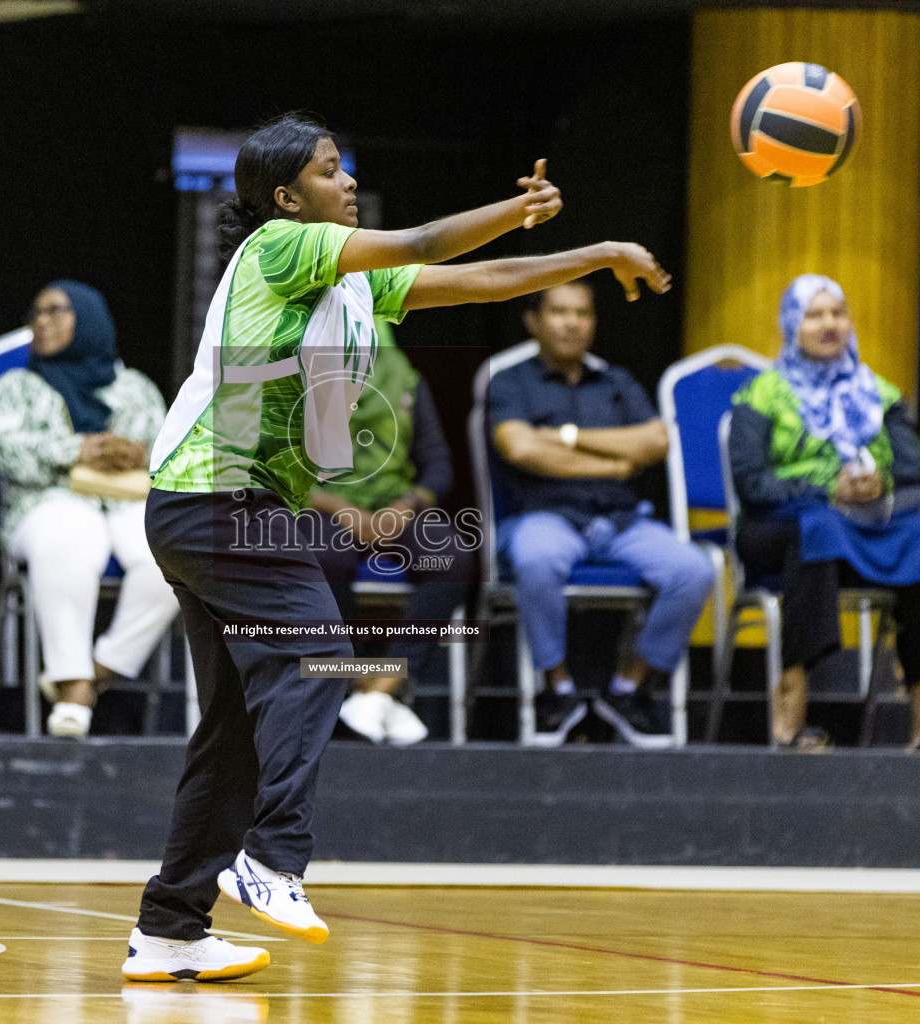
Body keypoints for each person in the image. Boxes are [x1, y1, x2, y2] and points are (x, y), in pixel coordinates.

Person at [121, 111, 670, 984]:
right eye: (331, 171)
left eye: (345, 171)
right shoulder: (279, 246)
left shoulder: (349, 284)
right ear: (285, 196)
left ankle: (169, 928)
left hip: (215, 508)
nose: (346, 183)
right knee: (320, 657)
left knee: (231, 734)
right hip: (211, 498)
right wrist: (514, 208)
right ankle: (272, 859)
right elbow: (424, 237)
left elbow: (483, 282)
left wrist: (593, 253)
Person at [729, 274, 920, 751]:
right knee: (820, 528)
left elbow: (914, 474)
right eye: (815, 314)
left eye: (838, 312)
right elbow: (751, 482)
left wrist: (880, 484)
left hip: (868, 520)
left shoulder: (880, 392)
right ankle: (791, 700)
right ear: (792, 325)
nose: (829, 323)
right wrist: (826, 487)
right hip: (779, 525)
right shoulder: (762, 393)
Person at [488, 282, 717, 748]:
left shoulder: (617, 382)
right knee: (536, 559)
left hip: (620, 520)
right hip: (543, 515)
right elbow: (519, 447)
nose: (572, 322)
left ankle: (630, 688)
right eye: (559, 312)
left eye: (583, 313)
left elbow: (656, 441)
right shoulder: (511, 381)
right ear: (533, 320)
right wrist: (613, 462)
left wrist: (565, 436)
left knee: (693, 570)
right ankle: (558, 689)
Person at [0, 280, 179, 738]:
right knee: (70, 532)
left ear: (88, 321)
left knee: (171, 548)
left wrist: (138, 455)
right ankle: (71, 685)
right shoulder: (18, 386)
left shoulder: (135, 388)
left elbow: (171, 451)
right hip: (44, 502)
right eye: (37, 312)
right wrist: (77, 449)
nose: (40, 321)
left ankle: (97, 672)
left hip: (127, 502)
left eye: (55, 311)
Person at [304, 323, 473, 746]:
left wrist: (405, 507)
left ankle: (381, 687)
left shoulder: (403, 379)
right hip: (321, 505)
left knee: (452, 556)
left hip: (393, 507)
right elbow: (271, 467)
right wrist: (341, 509)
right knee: (323, 558)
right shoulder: (294, 376)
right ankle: (351, 683)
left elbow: (438, 466)